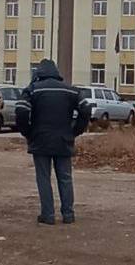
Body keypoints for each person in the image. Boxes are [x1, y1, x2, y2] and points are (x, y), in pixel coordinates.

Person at [15, 59, 91, 225]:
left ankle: (48, 215)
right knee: (65, 177)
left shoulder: (32, 90)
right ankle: (68, 215)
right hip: (64, 139)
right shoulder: (71, 90)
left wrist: (28, 133)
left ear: (38, 73)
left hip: (40, 140)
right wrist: (75, 130)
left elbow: (21, 111)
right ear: (56, 72)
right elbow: (86, 109)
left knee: (43, 178)